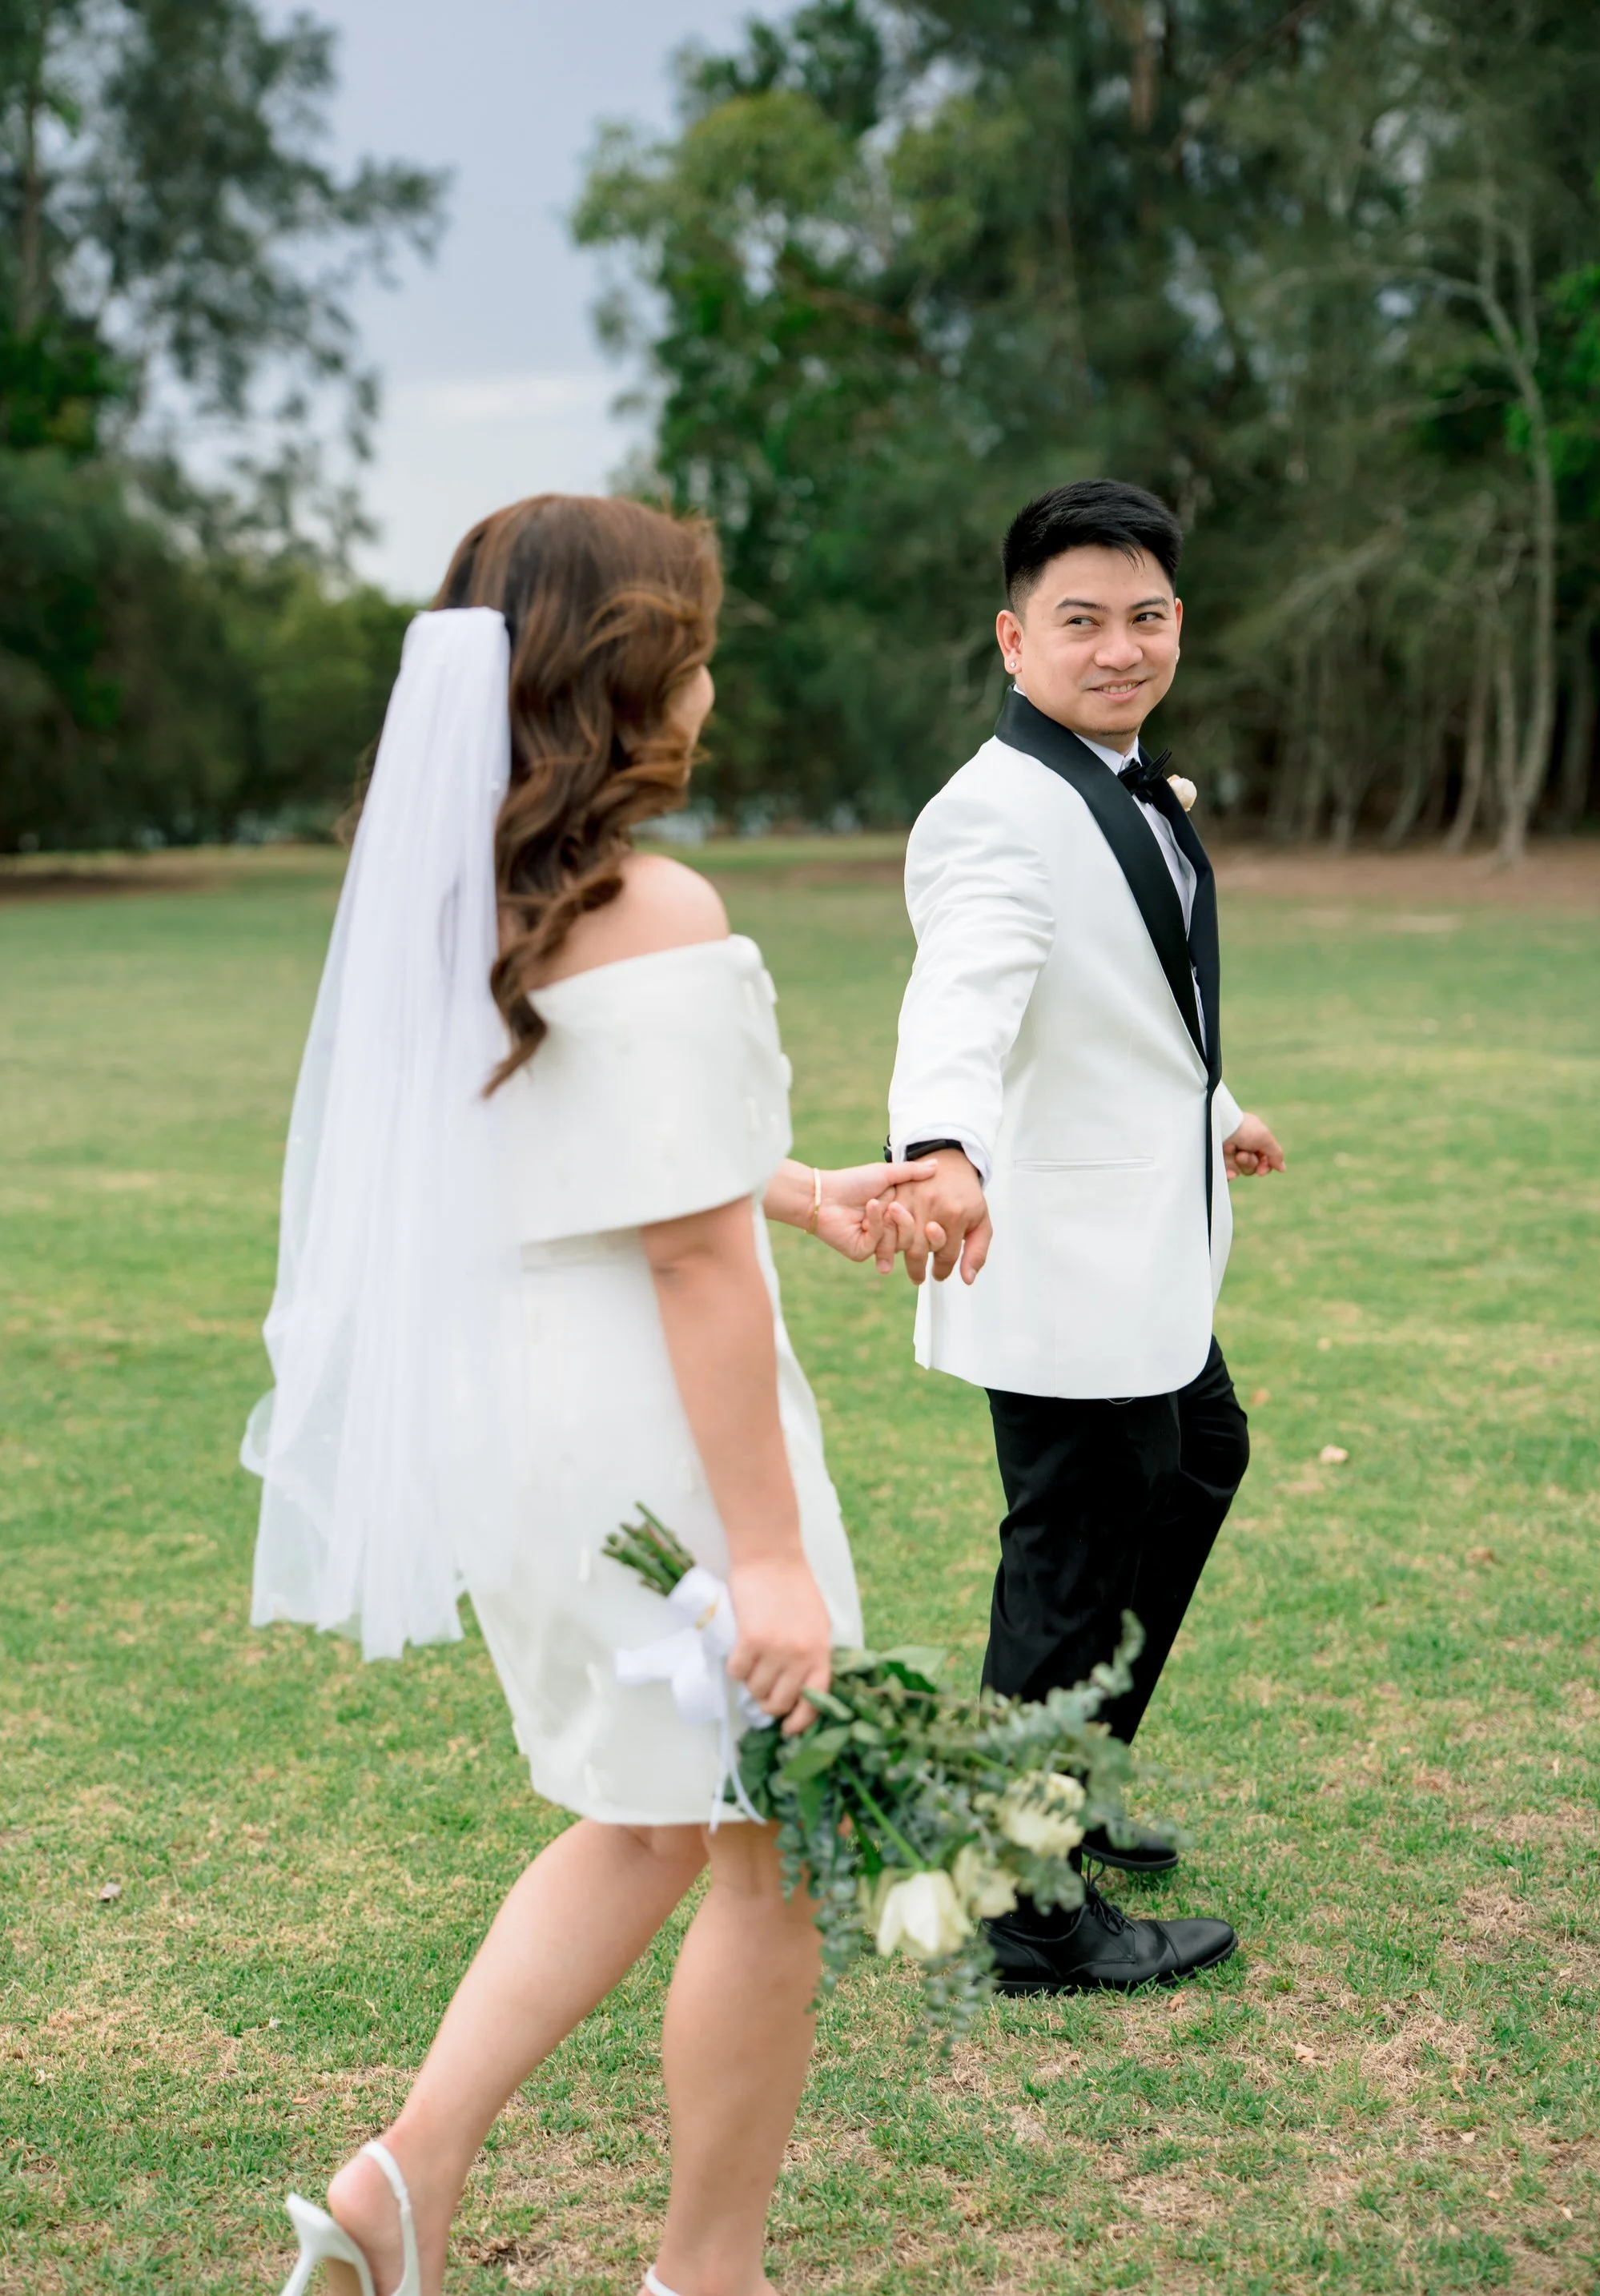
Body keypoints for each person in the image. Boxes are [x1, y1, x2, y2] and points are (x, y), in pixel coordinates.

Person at [247, 495, 931, 2296]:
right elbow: (684, 1260)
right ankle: (708, 2276)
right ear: (627, 679)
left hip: (520, 1420)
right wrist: (770, 1559)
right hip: (656, 1432)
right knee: (770, 1835)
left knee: (648, 1816)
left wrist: (797, 1185)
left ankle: (404, 2176)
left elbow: (592, 1157)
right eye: (695, 648)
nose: (712, 684)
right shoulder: (657, 901)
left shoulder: (452, 900)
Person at [884, 478, 1286, 1996]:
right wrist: (938, 1146)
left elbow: (1134, 1001)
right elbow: (967, 995)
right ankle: (1025, 1907)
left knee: (1200, 1456)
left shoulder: (1130, 780)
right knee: (1071, 1553)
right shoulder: (994, 808)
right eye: (1082, 620)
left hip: (1147, 1238)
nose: (1120, 647)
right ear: (1013, 638)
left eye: (1147, 616)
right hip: (1050, 1255)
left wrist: (1220, 1104)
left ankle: (1073, 1777)